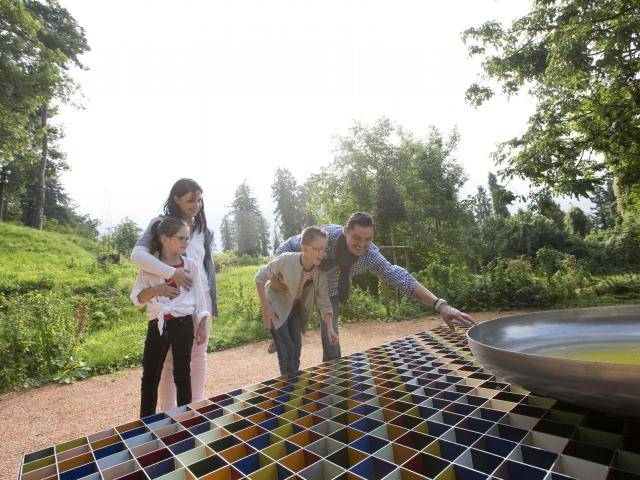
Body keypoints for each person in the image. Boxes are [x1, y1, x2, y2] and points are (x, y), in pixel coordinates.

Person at [274, 212, 475, 361]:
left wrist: (440, 304)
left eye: (368, 239)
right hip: (303, 284)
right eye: (357, 238)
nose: (362, 244)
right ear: (345, 232)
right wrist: (276, 274)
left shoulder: (370, 254)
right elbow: (288, 246)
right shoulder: (328, 237)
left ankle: (333, 376)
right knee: (290, 329)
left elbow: (398, 276)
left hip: (330, 291)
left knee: (331, 335)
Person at [131, 178, 217, 410]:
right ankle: (168, 414)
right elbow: (137, 256)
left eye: (199, 200)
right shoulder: (161, 225)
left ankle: (192, 410)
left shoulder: (203, 230)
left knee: (197, 355)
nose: (196, 205)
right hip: (172, 301)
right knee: (168, 361)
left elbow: (205, 267)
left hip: (199, 299)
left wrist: (206, 309)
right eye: (190, 200)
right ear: (176, 199)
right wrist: (172, 274)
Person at [255, 227, 339, 374]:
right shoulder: (286, 259)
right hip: (276, 307)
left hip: (295, 310)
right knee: (287, 347)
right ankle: (288, 382)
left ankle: (293, 379)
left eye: (324, 249)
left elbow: (324, 302)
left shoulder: (320, 274)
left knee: (296, 347)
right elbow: (259, 278)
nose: (322, 254)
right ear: (305, 249)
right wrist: (266, 309)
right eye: (318, 249)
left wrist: (330, 328)